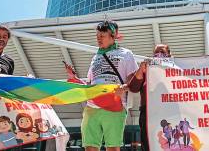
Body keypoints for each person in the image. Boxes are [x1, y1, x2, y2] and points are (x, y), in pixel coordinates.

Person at [65, 20, 138, 151]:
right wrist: (74, 78)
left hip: (115, 105)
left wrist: (124, 88)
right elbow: (89, 85)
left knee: (113, 147)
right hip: (92, 106)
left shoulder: (126, 54)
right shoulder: (95, 57)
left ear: (113, 36)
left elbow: (133, 80)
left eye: (102, 36)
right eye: (97, 36)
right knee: (90, 147)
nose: (98, 39)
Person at [127, 44, 172, 151]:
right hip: (148, 112)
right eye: (156, 54)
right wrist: (141, 71)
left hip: (169, 111)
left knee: (169, 144)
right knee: (148, 144)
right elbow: (133, 88)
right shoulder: (147, 70)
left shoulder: (176, 70)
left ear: (169, 55)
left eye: (162, 53)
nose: (158, 56)